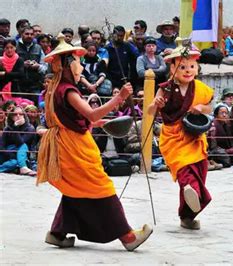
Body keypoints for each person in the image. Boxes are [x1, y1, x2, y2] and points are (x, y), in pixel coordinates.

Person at [36, 34, 152, 251]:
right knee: (101, 186)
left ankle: (57, 233)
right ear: (68, 65)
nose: (80, 67)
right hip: (73, 147)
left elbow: (72, 119)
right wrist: (119, 98)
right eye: (77, 62)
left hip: (65, 142)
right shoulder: (68, 90)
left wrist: (98, 123)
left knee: (76, 188)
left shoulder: (54, 87)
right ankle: (127, 237)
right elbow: (89, 114)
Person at [148, 41, 213, 230]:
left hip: (194, 136)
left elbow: (210, 106)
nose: (187, 70)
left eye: (192, 66)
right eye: (182, 67)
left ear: (197, 67)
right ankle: (188, 189)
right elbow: (151, 111)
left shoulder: (199, 87)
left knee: (199, 170)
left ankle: (187, 217)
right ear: (173, 67)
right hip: (173, 136)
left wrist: (201, 108)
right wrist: (156, 104)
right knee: (184, 168)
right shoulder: (166, 87)